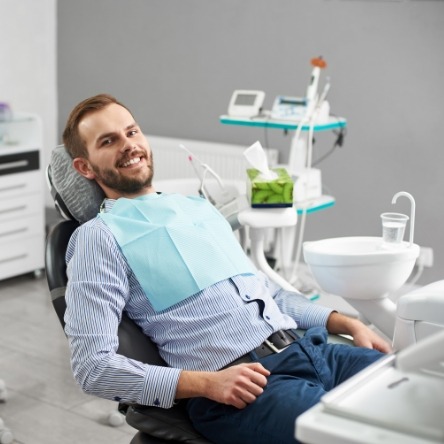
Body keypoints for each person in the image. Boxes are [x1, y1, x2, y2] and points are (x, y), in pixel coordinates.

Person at [62, 93, 391, 444]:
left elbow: (271, 293)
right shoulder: (98, 238)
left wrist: (346, 322)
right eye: (109, 141)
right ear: (85, 166)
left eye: (132, 132)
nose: (129, 145)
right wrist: (206, 383)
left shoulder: (198, 208)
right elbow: (93, 368)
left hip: (311, 351)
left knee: (417, 396)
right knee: (362, 437)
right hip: (242, 388)